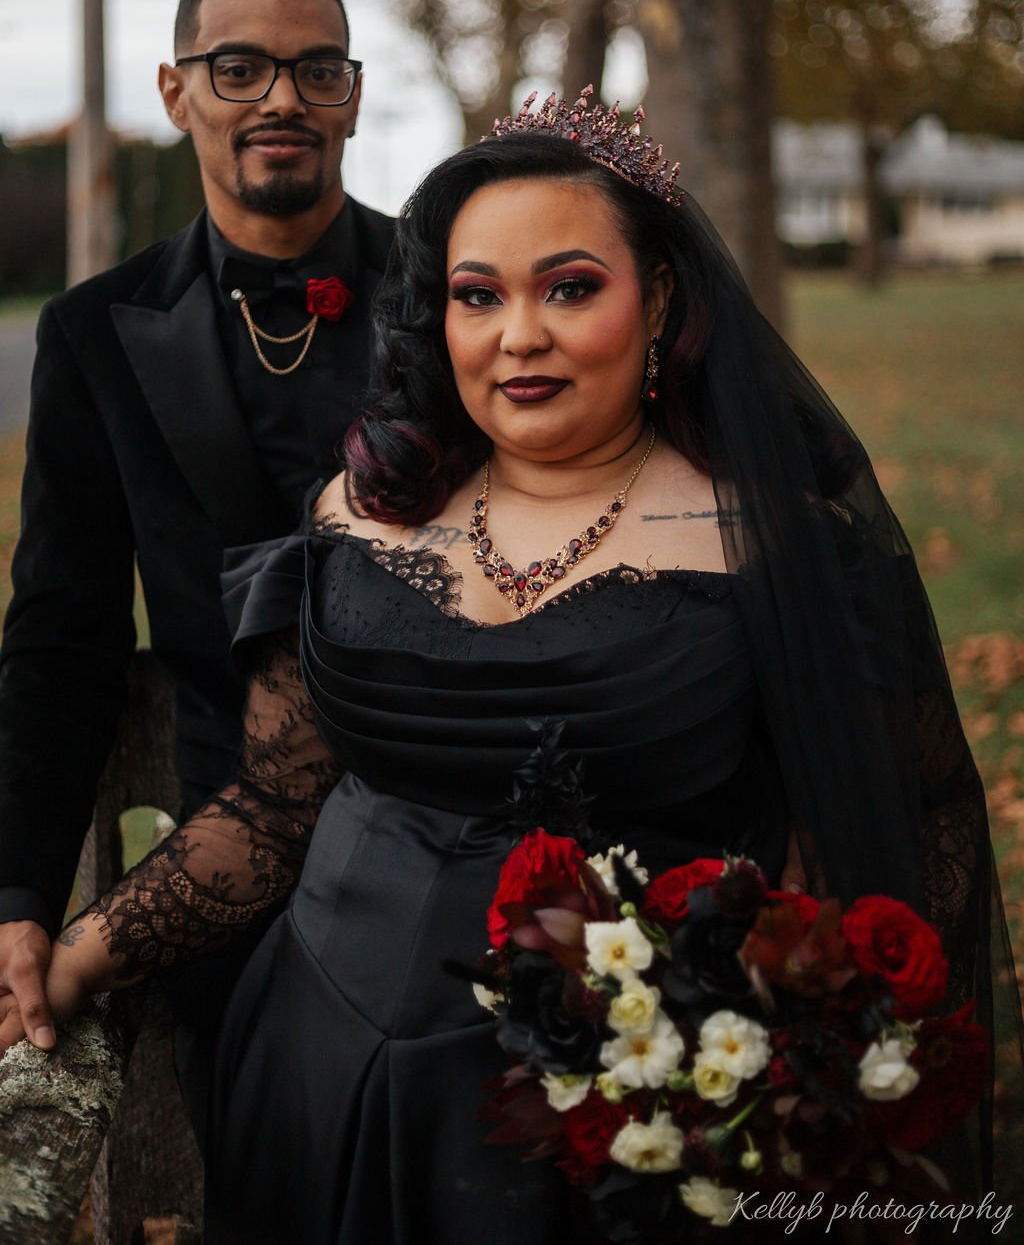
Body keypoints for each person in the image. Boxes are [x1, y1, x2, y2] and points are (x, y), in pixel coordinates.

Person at [3, 92, 1019, 1242]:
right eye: (475, 296)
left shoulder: (778, 550)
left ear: (662, 301)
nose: (516, 335)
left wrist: (809, 1060)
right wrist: (77, 952)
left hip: (628, 1130)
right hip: (316, 1068)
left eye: (570, 287)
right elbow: (281, 803)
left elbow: (910, 818)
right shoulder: (356, 516)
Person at [0, 0, 393, 1070]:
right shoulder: (93, 334)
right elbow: (61, 636)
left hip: (458, 849)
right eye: (239, 68)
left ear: (354, 101)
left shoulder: (457, 296)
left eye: (319, 71)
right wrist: (21, 891)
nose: (282, 97)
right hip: (225, 891)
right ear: (176, 94)